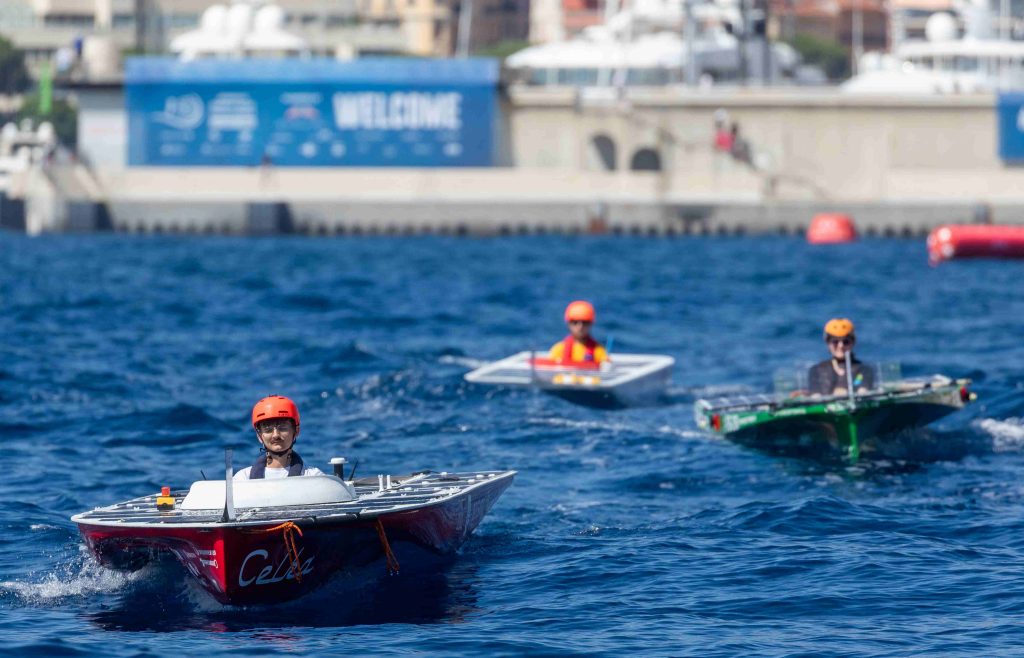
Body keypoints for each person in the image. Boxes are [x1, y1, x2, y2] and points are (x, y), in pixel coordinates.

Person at [234, 395, 324, 480]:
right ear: (259, 436)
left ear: (296, 431)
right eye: (268, 429)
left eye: (283, 427)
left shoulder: (313, 477)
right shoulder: (243, 479)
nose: (276, 435)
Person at [807, 318, 875, 396]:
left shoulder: (864, 370)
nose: (840, 346)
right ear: (828, 343)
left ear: (853, 342)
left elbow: (862, 391)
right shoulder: (816, 370)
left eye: (845, 342)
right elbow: (816, 396)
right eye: (835, 342)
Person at [548, 300, 609, 365]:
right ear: (568, 323)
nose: (580, 326)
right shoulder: (558, 350)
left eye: (584, 322)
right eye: (575, 322)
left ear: (591, 324)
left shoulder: (599, 351)